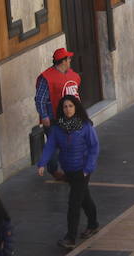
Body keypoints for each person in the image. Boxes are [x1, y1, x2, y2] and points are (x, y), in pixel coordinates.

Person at [38, 95, 100, 248]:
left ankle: (70, 238)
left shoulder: (85, 126)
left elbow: (94, 147)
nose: (68, 109)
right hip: (69, 169)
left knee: (74, 203)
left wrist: (88, 168)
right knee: (84, 198)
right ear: (61, 109)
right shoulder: (58, 128)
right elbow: (50, 145)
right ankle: (93, 224)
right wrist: (42, 163)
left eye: (71, 106)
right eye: (65, 107)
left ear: (76, 107)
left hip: (82, 170)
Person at [35, 47, 81, 180]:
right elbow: (40, 99)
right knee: (53, 146)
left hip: (71, 117)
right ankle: (54, 170)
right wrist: (44, 116)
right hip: (53, 118)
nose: (70, 60)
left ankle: (71, 170)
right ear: (63, 61)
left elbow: (76, 95)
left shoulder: (72, 75)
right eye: (68, 58)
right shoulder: (47, 78)